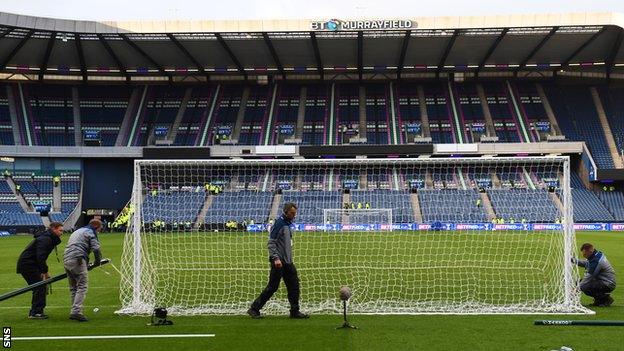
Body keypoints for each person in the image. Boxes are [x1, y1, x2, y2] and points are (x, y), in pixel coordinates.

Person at [248, 202, 308, 319]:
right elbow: (271, 243)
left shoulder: (288, 223)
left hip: (288, 261)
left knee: (294, 286)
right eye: (292, 213)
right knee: (272, 287)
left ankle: (294, 311)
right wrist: (275, 258)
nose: (294, 215)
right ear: (286, 212)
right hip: (278, 262)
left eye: (295, 213)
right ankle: (254, 309)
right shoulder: (279, 224)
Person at [16, 222, 64, 319]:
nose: (62, 233)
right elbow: (40, 257)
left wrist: (42, 271)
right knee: (40, 287)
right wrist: (45, 272)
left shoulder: (48, 238)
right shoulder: (46, 239)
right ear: (53, 229)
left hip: (31, 264)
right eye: (60, 230)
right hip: (28, 265)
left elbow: (40, 258)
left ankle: (36, 312)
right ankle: (35, 313)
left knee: (40, 286)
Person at [63, 219, 103, 322]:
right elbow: (96, 249)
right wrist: (97, 262)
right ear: (96, 227)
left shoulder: (78, 231)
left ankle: (74, 310)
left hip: (67, 259)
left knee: (73, 288)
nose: (99, 232)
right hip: (78, 259)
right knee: (82, 286)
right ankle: (76, 312)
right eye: (99, 229)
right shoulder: (90, 232)